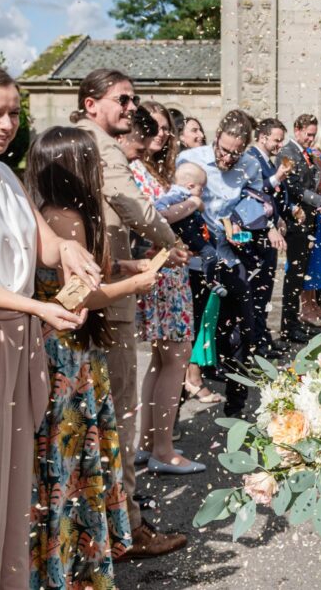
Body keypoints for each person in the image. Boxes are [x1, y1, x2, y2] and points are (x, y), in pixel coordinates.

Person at [25, 126, 161, 589]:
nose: (101, 169)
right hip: (67, 356)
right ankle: (74, 566)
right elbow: (74, 298)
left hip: (68, 352)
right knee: (72, 465)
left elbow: (80, 272)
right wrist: (133, 285)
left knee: (72, 463)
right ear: (72, 168)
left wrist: (124, 265)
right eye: (93, 161)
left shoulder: (54, 212)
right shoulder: (65, 217)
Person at [0, 66, 96, 590]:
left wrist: (68, 248)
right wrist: (35, 309)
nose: (5, 124)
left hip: (21, 338)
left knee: (13, 481)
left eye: (12, 113)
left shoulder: (4, 175)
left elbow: (43, 243)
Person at [68, 68, 188, 560]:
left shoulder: (75, 139)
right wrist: (170, 240)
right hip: (105, 294)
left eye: (134, 100)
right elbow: (129, 202)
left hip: (101, 279)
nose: (130, 108)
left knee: (95, 413)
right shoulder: (98, 144)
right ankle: (127, 530)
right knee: (117, 414)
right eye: (122, 99)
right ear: (91, 102)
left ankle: (102, 522)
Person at [178, 110, 275, 418]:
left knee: (240, 336)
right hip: (195, 261)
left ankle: (235, 411)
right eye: (224, 150)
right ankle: (171, 419)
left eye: (236, 153)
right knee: (186, 338)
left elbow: (259, 204)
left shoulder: (249, 165)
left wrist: (243, 219)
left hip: (232, 260)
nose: (228, 158)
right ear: (216, 136)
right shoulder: (191, 159)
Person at [130, 101, 204, 475]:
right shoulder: (136, 169)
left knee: (162, 360)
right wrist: (191, 204)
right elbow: (149, 217)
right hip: (160, 271)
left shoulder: (157, 170)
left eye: (165, 128)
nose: (161, 133)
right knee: (176, 358)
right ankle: (164, 449)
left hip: (170, 270)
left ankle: (148, 443)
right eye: (153, 127)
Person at [278, 115, 321, 342]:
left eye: (314, 135)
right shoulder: (288, 153)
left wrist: (318, 208)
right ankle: (288, 326)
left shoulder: (305, 154)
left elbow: (310, 185)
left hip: (309, 220)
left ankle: (294, 323)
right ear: (297, 130)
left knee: (300, 275)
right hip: (297, 222)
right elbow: (295, 189)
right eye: (308, 134)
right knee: (294, 276)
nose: (311, 138)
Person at [246, 117, 292, 357]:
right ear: (262, 137)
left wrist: (280, 217)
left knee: (265, 291)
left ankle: (263, 338)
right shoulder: (252, 159)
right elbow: (253, 192)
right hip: (258, 235)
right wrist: (277, 178)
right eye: (276, 140)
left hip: (271, 230)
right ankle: (256, 344)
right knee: (258, 290)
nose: (279, 145)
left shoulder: (267, 160)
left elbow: (271, 198)